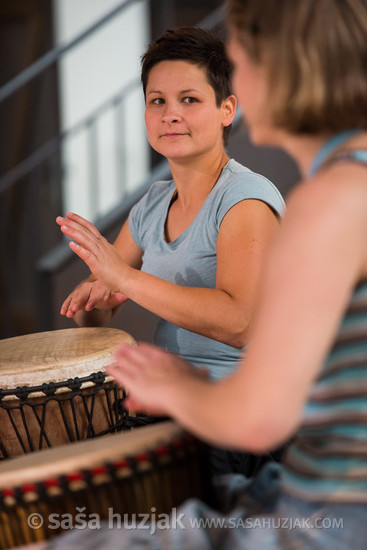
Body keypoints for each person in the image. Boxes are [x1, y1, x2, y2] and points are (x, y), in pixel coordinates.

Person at [45, 0, 367, 548]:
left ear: (278, 69)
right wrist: (103, 286)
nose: (173, 112)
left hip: (327, 520)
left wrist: (178, 388)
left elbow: (257, 406)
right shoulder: (346, 183)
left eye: (239, 62)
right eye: (158, 101)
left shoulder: (329, 200)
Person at [56, 27, 285, 475]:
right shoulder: (152, 204)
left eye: (189, 99)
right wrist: (91, 298)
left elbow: (239, 324)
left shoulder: (246, 199)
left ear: (226, 110)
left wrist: (124, 279)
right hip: (169, 401)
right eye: (157, 101)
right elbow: (101, 310)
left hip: (235, 415)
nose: (170, 114)